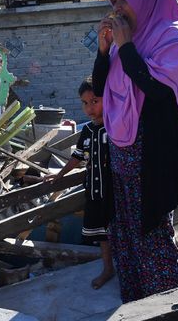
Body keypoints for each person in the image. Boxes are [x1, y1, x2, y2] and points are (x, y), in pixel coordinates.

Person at [93, 0, 178, 303]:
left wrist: (125, 48)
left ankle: (165, 304)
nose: (119, 7)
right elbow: (100, 89)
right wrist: (103, 50)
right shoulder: (126, 41)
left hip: (154, 151)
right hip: (123, 147)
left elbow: (155, 89)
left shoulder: (172, 38)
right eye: (115, 1)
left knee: (152, 228)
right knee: (125, 227)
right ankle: (137, 300)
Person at [51, 77, 114, 289]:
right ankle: (107, 269)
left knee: (120, 230)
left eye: (95, 101)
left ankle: (130, 267)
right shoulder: (87, 131)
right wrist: (59, 175)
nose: (89, 108)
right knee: (102, 234)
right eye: (85, 103)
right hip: (95, 191)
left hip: (115, 192)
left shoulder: (117, 126)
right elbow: (77, 157)